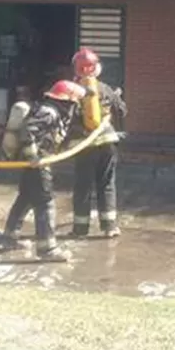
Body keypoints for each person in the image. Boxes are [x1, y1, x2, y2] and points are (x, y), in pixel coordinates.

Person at [1, 80, 83, 263]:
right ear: (67, 102)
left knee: (26, 197)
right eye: (75, 103)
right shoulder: (50, 112)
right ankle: (47, 248)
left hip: (37, 161)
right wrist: (33, 156)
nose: (76, 108)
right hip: (38, 163)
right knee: (45, 202)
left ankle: (9, 235)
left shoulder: (52, 112)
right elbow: (27, 131)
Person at [69, 48, 127, 239]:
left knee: (83, 186)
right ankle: (110, 227)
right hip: (108, 142)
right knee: (106, 184)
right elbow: (122, 111)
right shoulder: (105, 88)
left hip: (83, 145)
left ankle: (80, 229)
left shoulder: (71, 90)